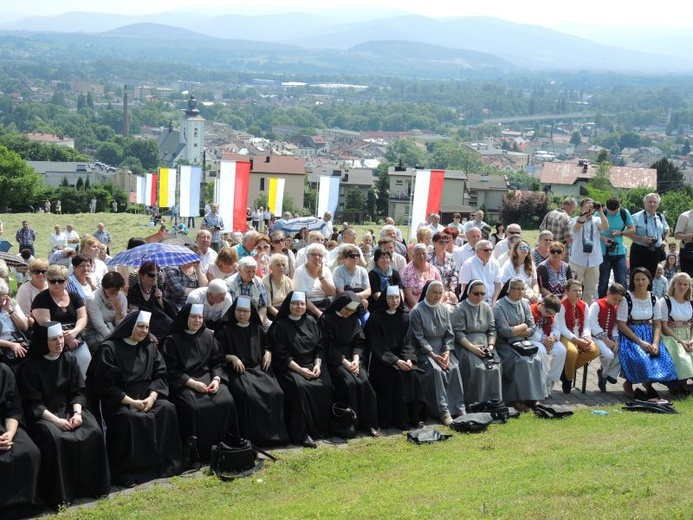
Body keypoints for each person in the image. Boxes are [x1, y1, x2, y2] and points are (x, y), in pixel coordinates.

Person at [17, 322, 110, 507]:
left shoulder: (69, 359)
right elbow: (32, 403)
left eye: (60, 337)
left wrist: (77, 413)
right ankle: (62, 494)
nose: (60, 342)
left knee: (93, 431)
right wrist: (57, 421)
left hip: (70, 409)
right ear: (44, 342)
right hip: (44, 416)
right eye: (54, 339)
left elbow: (78, 390)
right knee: (56, 439)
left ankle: (91, 488)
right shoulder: (29, 368)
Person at [87, 311, 182, 487]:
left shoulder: (150, 347)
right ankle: (128, 473)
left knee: (167, 408)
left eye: (146, 327)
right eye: (140, 326)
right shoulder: (109, 349)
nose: (144, 331)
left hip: (148, 396)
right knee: (129, 418)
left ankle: (165, 466)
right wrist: (132, 402)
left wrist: (153, 397)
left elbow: (160, 374)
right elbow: (104, 385)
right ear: (130, 326)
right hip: (121, 400)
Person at [162, 304, 239, 463]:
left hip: (210, 379)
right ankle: (199, 452)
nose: (197, 320)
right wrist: (192, 384)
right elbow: (171, 371)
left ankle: (227, 444)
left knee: (227, 400)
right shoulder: (171, 341)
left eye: (200, 317)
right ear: (185, 318)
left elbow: (218, 362)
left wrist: (217, 380)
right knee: (195, 407)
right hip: (186, 383)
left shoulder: (208, 336)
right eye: (193, 317)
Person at [214, 297, 288, 446]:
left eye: (245, 311)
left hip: (258, 369)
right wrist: (232, 358)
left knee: (276, 392)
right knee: (248, 396)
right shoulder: (225, 330)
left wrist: (268, 352)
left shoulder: (257, 328)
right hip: (238, 372)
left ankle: (275, 436)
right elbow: (217, 354)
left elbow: (267, 345)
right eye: (239, 311)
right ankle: (252, 438)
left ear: (251, 312)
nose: (241, 314)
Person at [268, 291, 332, 448]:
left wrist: (317, 364)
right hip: (290, 367)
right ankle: (302, 433)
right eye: (295, 303)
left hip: (313, 364)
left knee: (326, 385)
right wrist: (301, 371)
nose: (299, 306)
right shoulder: (280, 326)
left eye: (302, 303)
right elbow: (281, 355)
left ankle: (321, 428)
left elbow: (320, 347)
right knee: (300, 388)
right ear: (288, 305)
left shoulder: (311, 321)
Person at [320, 292, 380, 437]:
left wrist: (355, 360)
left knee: (364, 382)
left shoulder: (353, 318)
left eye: (352, 310)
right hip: (335, 360)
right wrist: (344, 362)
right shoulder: (326, 319)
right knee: (348, 383)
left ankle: (369, 424)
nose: (348, 313)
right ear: (340, 305)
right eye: (346, 309)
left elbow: (359, 341)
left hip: (353, 359)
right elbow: (327, 346)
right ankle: (349, 422)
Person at [364, 286, 424, 430]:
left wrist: (409, 358)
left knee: (414, 374)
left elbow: (408, 341)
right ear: (385, 299)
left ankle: (414, 417)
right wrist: (396, 361)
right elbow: (377, 345)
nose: (394, 301)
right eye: (391, 297)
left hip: (402, 357)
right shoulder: (375, 318)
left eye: (397, 297)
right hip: (383, 361)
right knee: (397, 376)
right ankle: (399, 419)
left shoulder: (404, 317)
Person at [408, 280, 465, 426]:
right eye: (434, 292)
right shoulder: (417, 311)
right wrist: (433, 355)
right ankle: (443, 412)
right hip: (425, 351)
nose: (437, 296)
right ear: (426, 292)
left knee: (454, 368)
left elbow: (449, 333)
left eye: (440, 293)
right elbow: (418, 337)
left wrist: (446, 351)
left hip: (443, 348)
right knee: (436, 370)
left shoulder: (444, 309)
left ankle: (459, 407)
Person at [617, 267, 677, 399]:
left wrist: (655, 343)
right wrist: (640, 342)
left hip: (649, 334)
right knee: (640, 358)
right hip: (630, 335)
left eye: (643, 279)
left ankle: (648, 384)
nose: (640, 282)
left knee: (663, 358)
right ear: (632, 280)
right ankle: (628, 383)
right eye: (637, 279)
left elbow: (657, 324)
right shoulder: (626, 298)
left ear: (649, 281)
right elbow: (621, 324)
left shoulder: (654, 299)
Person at [493, 278, 545, 412]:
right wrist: (523, 326)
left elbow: (532, 328)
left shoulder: (524, 304)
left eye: (523, 289)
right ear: (509, 290)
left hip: (523, 343)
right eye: (517, 288)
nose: (521, 292)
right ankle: (516, 399)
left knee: (537, 359)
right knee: (522, 361)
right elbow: (504, 332)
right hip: (505, 345)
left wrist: (515, 329)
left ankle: (533, 398)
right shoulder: (499, 306)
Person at [31, 264, 90, 378]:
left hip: (75, 338)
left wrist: (74, 332)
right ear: (47, 281)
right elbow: (47, 324)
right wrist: (66, 337)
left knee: (85, 362)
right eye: (53, 281)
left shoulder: (74, 296)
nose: (57, 284)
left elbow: (83, 317)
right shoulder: (41, 299)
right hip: (50, 343)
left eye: (60, 280)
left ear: (66, 281)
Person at [0, 363, 42, 519]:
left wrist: (10, 433)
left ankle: (25, 503)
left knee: (29, 452)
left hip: (5, 425)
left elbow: (13, 406)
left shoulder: (4, 371)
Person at [451, 280, 503, 405]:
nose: (480, 296)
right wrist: (472, 348)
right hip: (466, 344)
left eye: (482, 294)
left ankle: (494, 402)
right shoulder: (460, 309)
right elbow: (457, 333)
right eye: (476, 293)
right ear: (469, 293)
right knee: (477, 367)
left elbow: (492, 329)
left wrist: (491, 346)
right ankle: (476, 402)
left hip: (485, 343)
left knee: (495, 367)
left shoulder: (486, 308)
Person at [555, 279, 600, 394]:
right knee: (572, 351)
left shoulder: (584, 305)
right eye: (575, 290)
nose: (578, 293)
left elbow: (586, 325)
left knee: (594, 351)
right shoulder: (562, 306)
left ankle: (565, 372)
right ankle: (568, 379)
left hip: (580, 335)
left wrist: (587, 337)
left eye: (580, 290)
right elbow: (562, 328)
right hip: (565, 336)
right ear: (567, 291)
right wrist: (577, 340)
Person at [658, 272, 693, 395]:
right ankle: (679, 384)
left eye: (685, 284)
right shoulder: (666, 301)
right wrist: (680, 341)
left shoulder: (690, 303)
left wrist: (691, 340)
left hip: (689, 336)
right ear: (673, 284)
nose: (682, 287)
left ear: (689, 286)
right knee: (681, 356)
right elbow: (664, 326)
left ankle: (684, 384)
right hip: (671, 336)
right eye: (679, 283)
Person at [568, 198, 608, 305]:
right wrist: (584, 213)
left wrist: (600, 211)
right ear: (581, 207)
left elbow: (605, 226)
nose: (590, 209)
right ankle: (573, 310)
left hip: (594, 261)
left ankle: (587, 313)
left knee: (590, 291)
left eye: (591, 207)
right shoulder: (574, 219)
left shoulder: (597, 220)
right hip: (577, 260)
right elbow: (577, 227)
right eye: (587, 206)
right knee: (574, 289)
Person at [589, 283, 626, 393]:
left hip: (609, 338)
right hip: (595, 337)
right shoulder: (596, 305)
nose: (617, 302)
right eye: (615, 299)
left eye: (619, 300)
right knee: (608, 355)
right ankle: (604, 375)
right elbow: (593, 324)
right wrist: (606, 340)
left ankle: (608, 373)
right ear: (608, 293)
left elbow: (615, 325)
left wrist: (615, 341)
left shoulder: (616, 307)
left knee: (621, 352)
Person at [529, 295, 566, 398]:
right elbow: (529, 330)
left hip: (548, 337)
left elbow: (556, 328)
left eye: (552, 314)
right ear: (543, 304)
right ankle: (542, 384)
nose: (549, 315)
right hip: (534, 339)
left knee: (562, 351)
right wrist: (543, 339)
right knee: (541, 352)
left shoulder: (552, 314)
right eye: (548, 312)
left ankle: (550, 380)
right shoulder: (530, 310)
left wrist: (552, 338)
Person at [598, 197, 634, 298]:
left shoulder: (624, 212)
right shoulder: (602, 213)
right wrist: (604, 238)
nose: (613, 214)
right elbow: (592, 231)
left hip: (620, 253)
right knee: (603, 282)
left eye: (615, 211)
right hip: (603, 253)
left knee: (622, 281)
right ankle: (601, 304)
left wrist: (620, 232)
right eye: (611, 212)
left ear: (619, 207)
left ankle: (622, 304)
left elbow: (632, 230)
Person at [630, 192, 669, 280]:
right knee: (636, 276)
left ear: (658, 204)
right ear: (645, 203)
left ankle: (648, 293)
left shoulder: (660, 217)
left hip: (655, 251)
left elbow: (667, 230)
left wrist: (665, 240)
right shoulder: (636, 217)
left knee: (650, 277)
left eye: (654, 202)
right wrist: (641, 239)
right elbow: (627, 233)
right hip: (639, 251)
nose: (652, 204)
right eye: (650, 202)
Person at [292, 243, 336, 319]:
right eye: (314, 255)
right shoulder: (300, 271)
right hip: (307, 307)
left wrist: (321, 277)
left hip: (325, 304)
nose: (317, 257)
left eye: (320, 255)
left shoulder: (326, 270)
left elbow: (332, 293)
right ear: (307, 256)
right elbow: (302, 297)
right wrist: (318, 313)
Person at [226, 257, 270, 326]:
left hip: (255, 318)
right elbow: (228, 309)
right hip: (235, 319)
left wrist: (259, 321)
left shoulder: (258, 282)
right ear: (240, 270)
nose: (251, 274)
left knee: (271, 327)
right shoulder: (229, 284)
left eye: (253, 271)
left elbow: (263, 306)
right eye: (248, 271)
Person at [0, 278, 31, 370]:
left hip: (18, 340)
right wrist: (11, 344)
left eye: (4, 296)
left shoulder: (12, 304)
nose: (2, 301)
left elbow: (24, 327)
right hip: (3, 346)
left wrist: (10, 310)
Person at [401, 243, 442, 311]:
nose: (421, 256)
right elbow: (408, 294)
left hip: (434, 306)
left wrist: (438, 306)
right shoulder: (408, 270)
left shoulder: (433, 269)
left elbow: (441, 288)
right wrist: (420, 310)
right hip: (416, 308)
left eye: (424, 253)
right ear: (413, 256)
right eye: (418, 254)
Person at [458, 240, 501, 304]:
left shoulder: (495, 263)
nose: (489, 252)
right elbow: (465, 288)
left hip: (491, 302)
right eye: (486, 250)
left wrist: (494, 302)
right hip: (472, 302)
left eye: (491, 250)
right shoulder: (468, 264)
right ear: (477, 251)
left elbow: (498, 285)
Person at [332, 245, 371, 311]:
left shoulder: (363, 271)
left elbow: (368, 291)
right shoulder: (338, 271)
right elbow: (340, 292)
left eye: (357, 255)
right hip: (343, 306)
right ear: (345, 258)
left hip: (359, 306)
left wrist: (356, 297)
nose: (355, 258)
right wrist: (359, 299)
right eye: (352, 256)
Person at [500, 239, 539, 303]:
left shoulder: (531, 264)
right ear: (515, 250)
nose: (525, 249)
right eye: (522, 247)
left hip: (531, 294)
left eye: (527, 247)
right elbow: (507, 286)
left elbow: (535, 283)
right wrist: (529, 297)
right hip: (515, 296)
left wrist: (536, 294)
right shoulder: (508, 265)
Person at [16, 259, 48, 330]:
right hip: (34, 328)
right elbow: (26, 317)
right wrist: (45, 330)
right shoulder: (24, 290)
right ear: (30, 273)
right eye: (36, 271)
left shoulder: (51, 286)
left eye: (43, 271)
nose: (40, 274)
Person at [429, 231, 458, 304]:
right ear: (434, 243)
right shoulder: (427, 257)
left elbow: (454, 275)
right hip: (432, 292)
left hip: (448, 291)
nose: (444, 244)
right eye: (441, 242)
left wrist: (451, 291)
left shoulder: (450, 257)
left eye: (446, 242)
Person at [263, 254, 293, 321]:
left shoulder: (289, 281)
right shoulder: (265, 282)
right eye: (278, 265)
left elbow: (292, 301)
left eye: (283, 265)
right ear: (271, 267)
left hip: (287, 312)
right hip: (273, 314)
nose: (281, 267)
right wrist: (282, 317)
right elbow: (269, 306)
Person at [674, 207, 693, 277]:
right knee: (688, 279)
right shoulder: (684, 216)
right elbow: (677, 235)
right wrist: (691, 236)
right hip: (688, 251)